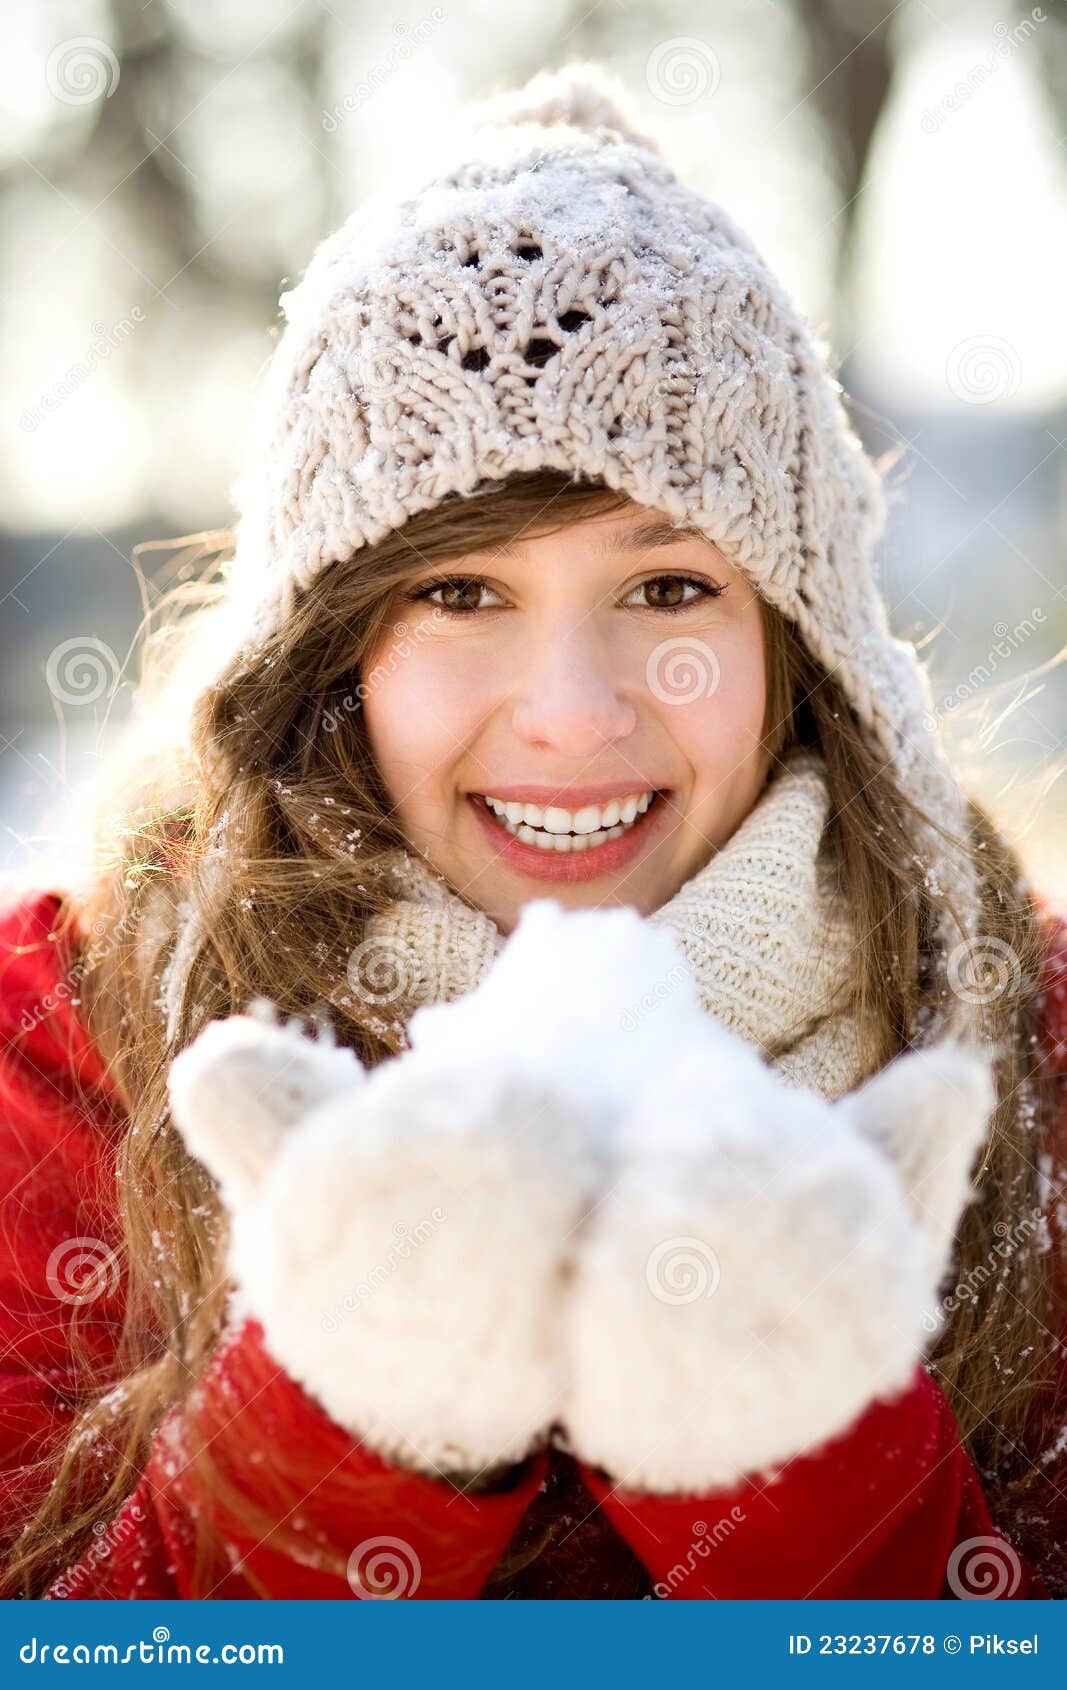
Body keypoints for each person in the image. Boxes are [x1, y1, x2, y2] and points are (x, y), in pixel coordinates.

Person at [2, 63, 1065, 1602]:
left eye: (668, 590)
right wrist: (361, 1408)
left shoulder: (1022, 1040)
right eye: (459, 594)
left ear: (801, 644)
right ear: (329, 658)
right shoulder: (65, 1052)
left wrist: (789, 1429)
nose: (572, 712)